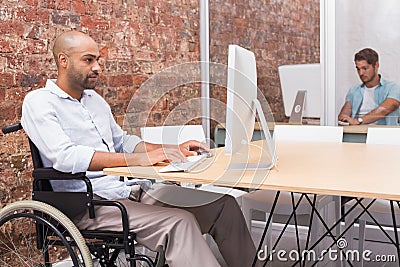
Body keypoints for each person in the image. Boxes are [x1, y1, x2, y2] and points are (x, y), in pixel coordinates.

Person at [21, 30, 261, 267]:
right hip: (87, 204)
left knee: (223, 206)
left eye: (98, 60)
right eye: (88, 60)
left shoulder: (95, 101)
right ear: (63, 60)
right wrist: (137, 160)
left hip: (126, 191)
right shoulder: (39, 102)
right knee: (179, 222)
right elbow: (65, 157)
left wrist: (171, 148)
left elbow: (123, 141)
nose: (97, 68)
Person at [338, 48, 400, 125]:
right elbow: (345, 113)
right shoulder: (354, 91)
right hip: (357, 133)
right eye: (358, 69)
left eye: (365, 68)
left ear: (376, 65)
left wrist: (358, 121)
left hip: (383, 134)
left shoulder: (392, 88)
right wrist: (344, 117)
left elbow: (385, 109)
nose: (361, 73)